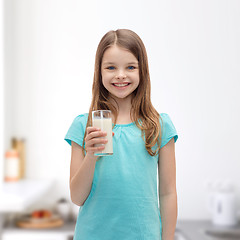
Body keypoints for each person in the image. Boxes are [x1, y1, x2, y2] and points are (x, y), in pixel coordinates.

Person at [64, 29, 178, 240]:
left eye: (130, 67)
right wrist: (91, 155)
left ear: (142, 71)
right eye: (111, 67)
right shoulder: (83, 126)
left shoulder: (159, 126)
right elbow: (77, 197)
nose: (120, 75)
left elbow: (168, 193)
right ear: (99, 72)